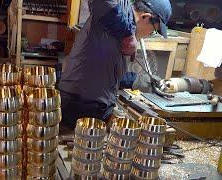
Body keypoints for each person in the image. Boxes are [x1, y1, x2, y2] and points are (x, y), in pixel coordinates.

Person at [58, 0, 172, 128]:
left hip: (89, 104)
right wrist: (127, 34)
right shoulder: (121, 21)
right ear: (145, 17)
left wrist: (137, 81)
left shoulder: (122, 22)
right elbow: (101, 3)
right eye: (153, 31)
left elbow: (106, 72)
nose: (149, 35)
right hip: (81, 106)